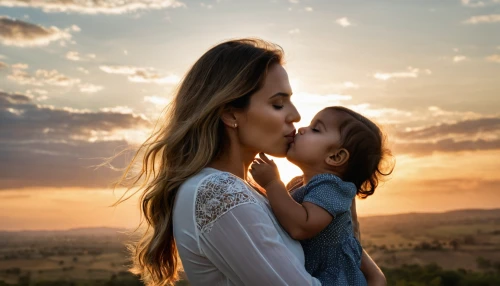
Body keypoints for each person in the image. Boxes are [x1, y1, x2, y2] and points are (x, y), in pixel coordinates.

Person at [116, 38, 386, 285]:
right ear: (230, 114)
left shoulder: (249, 193)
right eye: (278, 104)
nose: (295, 116)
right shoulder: (220, 193)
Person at [249, 106, 394, 285]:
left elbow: (301, 227)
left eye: (315, 130)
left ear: (336, 156)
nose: (302, 129)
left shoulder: (332, 188)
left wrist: (272, 184)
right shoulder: (298, 183)